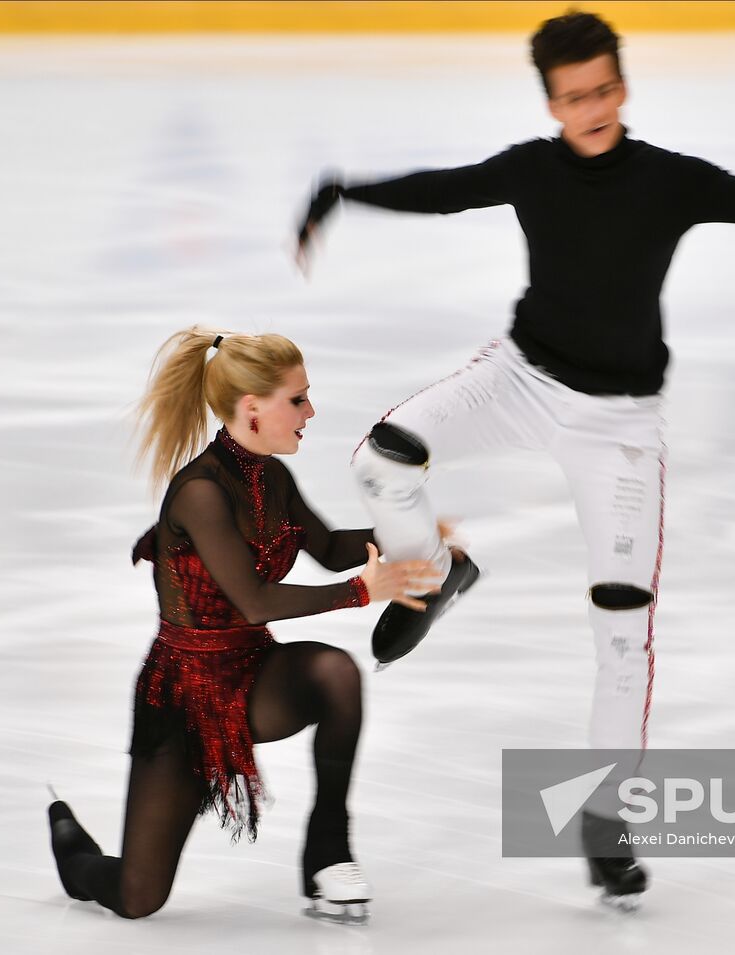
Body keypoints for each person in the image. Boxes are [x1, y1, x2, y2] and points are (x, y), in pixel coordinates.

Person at [295, 10, 735, 908]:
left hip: (620, 429)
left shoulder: (671, 183)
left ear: (623, 88)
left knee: (623, 631)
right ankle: (437, 573)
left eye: (603, 90)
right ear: (551, 102)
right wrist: (343, 190)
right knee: (383, 454)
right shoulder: (529, 169)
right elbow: (441, 190)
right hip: (519, 381)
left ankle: (605, 824)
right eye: (572, 97)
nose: (590, 107)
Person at [46, 329, 441, 923]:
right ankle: (74, 852)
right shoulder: (200, 493)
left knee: (335, 674)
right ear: (253, 409)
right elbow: (255, 601)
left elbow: (332, 547)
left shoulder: (270, 477)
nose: (312, 412)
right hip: (183, 695)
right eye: (299, 399)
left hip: (254, 674)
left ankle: (328, 853)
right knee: (137, 897)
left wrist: (417, 541)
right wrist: (365, 590)